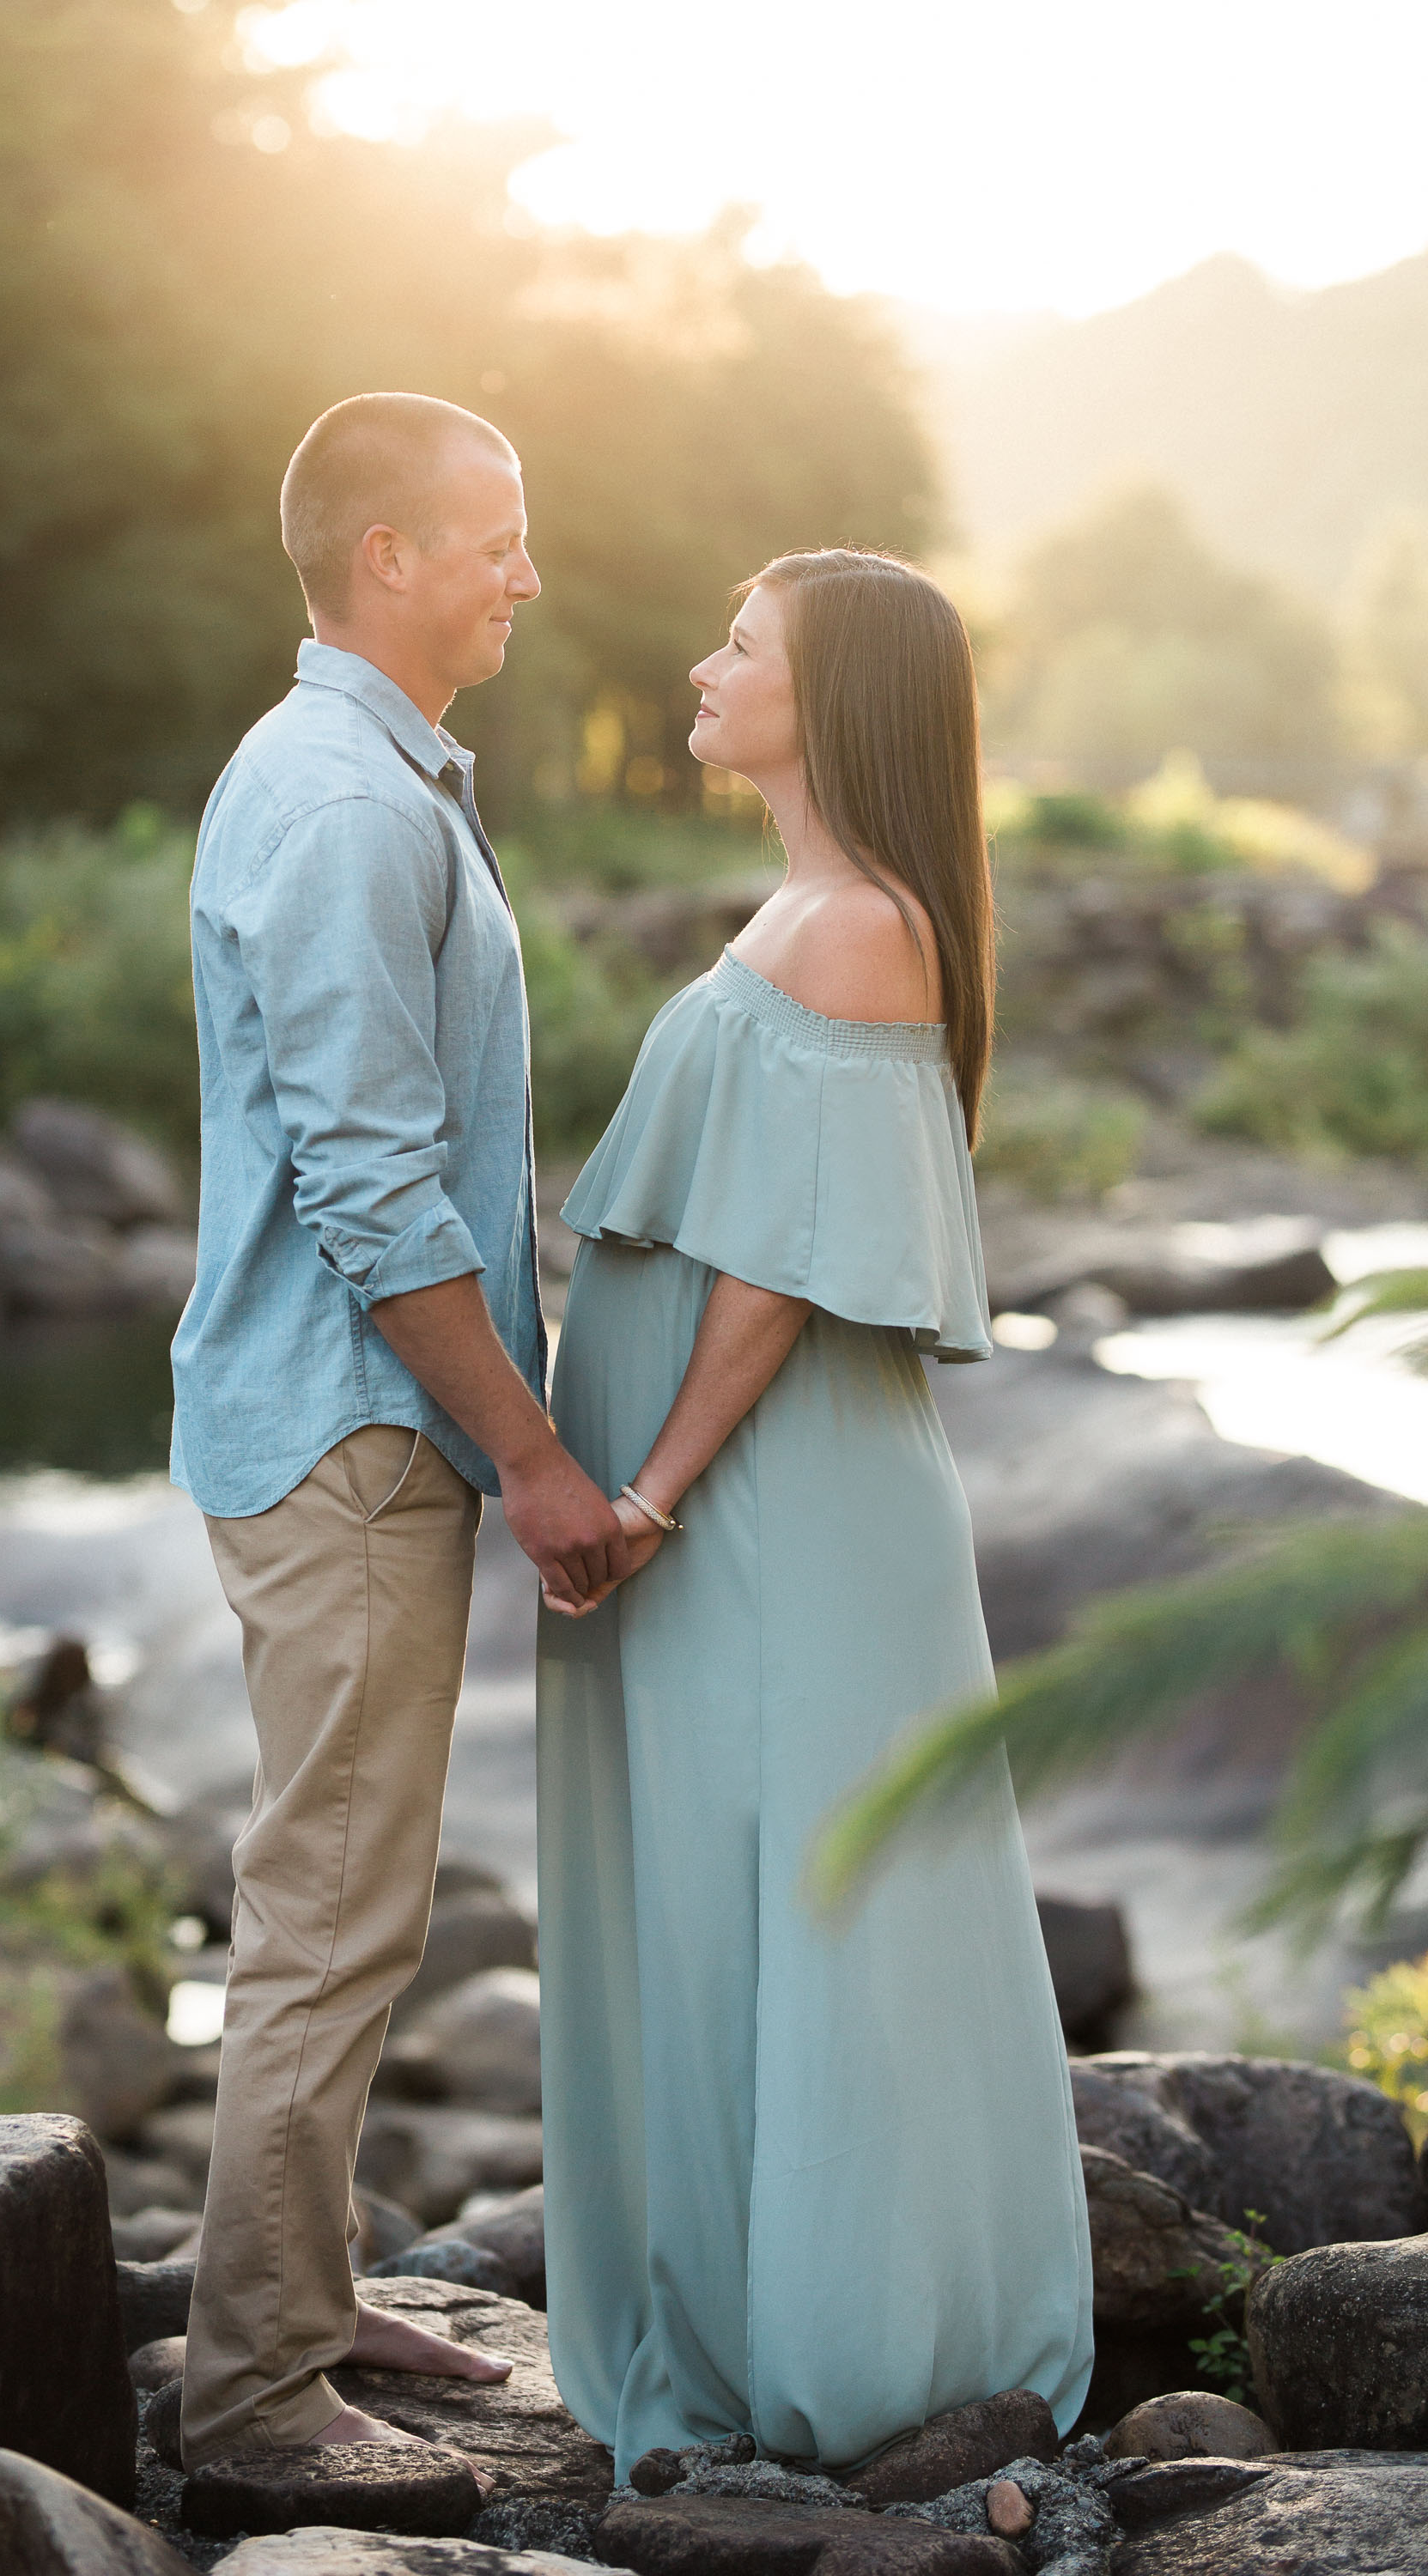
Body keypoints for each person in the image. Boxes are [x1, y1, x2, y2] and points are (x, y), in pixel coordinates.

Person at [536, 550, 1094, 2476]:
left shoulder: (862, 924)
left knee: (804, 1892)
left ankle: (851, 2344)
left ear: (828, 690)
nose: (700, 666)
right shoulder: (802, 904)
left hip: (771, 1510)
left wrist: (654, 1492)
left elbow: (775, 1274)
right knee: (721, 1890)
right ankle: (745, 2303)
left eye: (739, 646)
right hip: (729, 1506)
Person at [169, 392, 628, 2470]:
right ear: (388, 559)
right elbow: (372, 1188)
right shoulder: (348, 805)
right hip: (357, 1432)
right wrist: (533, 1456)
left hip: (352, 1428)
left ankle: (309, 2294)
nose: (526, 574)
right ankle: (259, 2398)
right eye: (494, 537)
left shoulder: (362, 776)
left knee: (347, 1891)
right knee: (336, 1910)